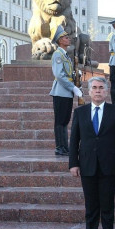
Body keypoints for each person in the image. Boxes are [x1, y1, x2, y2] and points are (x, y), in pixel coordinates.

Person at [69, 76, 115, 229]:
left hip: (109, 166)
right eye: (94, 87)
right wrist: (73, 164)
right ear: (88, 91)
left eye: (101, 87)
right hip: (87, 166)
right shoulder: (80, 113)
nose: (97, 90)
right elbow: (74, 141)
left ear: (106, 91)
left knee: (107, 206)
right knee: (91, 207)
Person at [50, 25, 82, 156]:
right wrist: (73, 87)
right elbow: (60, 75)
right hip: (61, 92)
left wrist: (76, 80)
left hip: (66, 92)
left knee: (64, 120)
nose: (68, 39)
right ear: (60, 40)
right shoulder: (58, 55)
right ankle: (60, 147)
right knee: (60, 121)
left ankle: (64, 146)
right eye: (65, 37)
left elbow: (68, 74)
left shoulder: (65, 55)